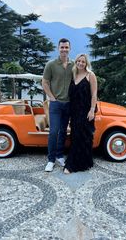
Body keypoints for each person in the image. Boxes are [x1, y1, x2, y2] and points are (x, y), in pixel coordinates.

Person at [42, 38, 74, 172]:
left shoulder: (74, 65)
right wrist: (51, 97)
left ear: (69, 49)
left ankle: (60, 156)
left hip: (68, 104)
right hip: (55, 104)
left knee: (63, 131)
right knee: (53, 131)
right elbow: (44, 82)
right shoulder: (51, 64)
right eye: (62, 47)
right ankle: (50, 160)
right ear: (58, 48)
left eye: (66, 47)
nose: (64, 50)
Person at [64, 53, 97, 174]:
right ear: (76, 62)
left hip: (86, 111)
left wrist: (92, 110)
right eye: (78, 61)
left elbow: (94, 94)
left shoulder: (90, 75)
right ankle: (85, 162)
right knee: (75, 136)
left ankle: (72, 165)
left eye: (83, 62)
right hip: (74, 111)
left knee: (82, 137)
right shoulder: (74, 75)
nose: (80, 63)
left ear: (86, 63)